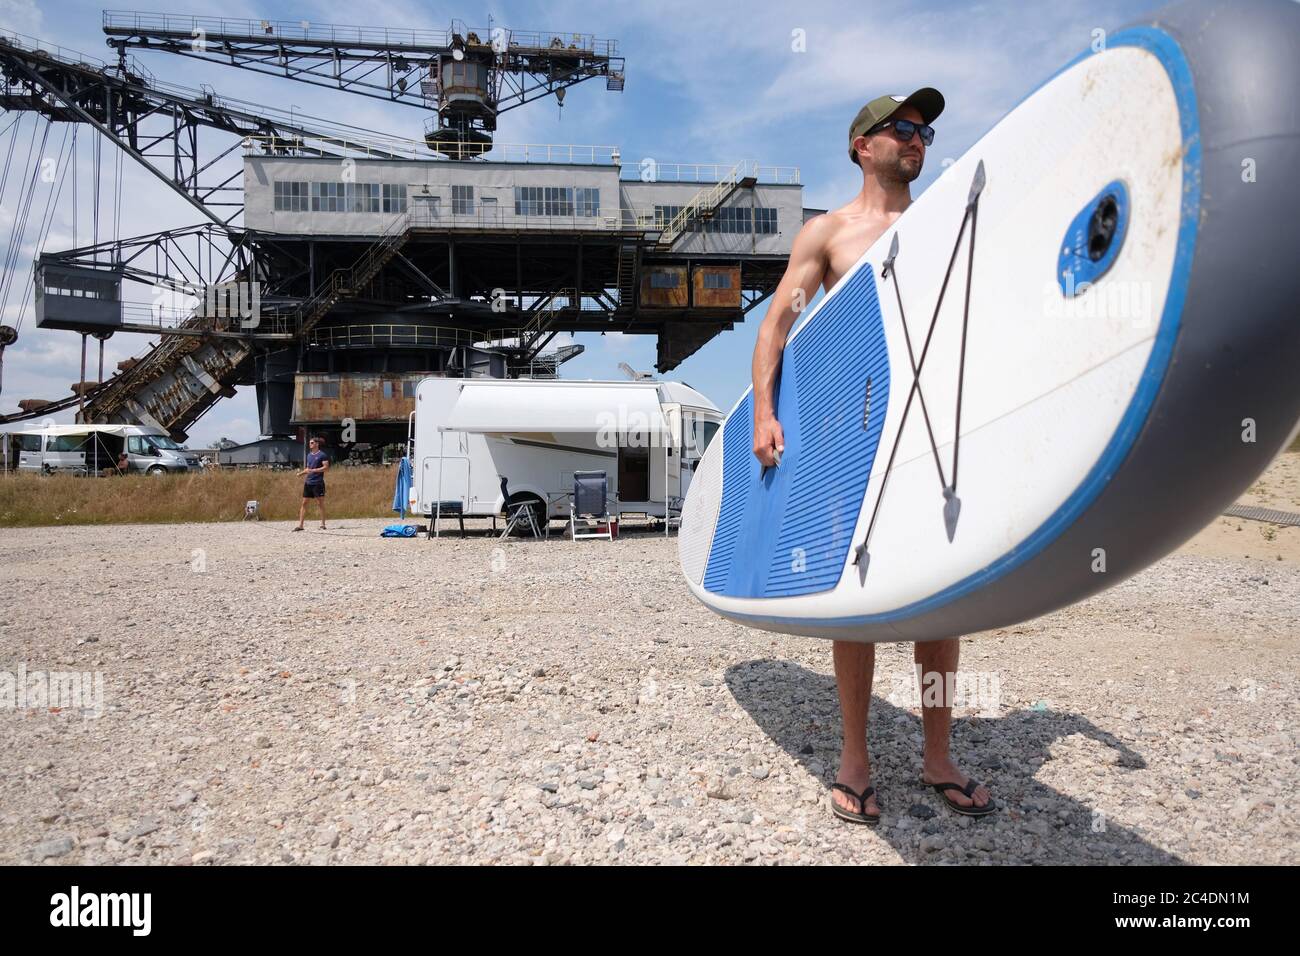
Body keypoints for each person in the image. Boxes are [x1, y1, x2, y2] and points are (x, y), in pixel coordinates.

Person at [750, 89, 995, 825]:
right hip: (852, 434)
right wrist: (764, 410)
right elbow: (776, 329)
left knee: (940, 600)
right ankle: (855, 756)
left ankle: (938, 755)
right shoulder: (828, 234)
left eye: (926, 130)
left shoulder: (947, 219)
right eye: (903, 128)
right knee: (854, 601)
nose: (919, 138)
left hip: (935, 432)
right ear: (862, 145)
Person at [294, 437, 330, 531]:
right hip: (308, 483)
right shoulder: (309, 455)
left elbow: (326, 468)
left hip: (318, 483)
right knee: (304, 503)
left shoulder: (322, 455)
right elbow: (308, 469)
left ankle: (322, 524)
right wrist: (300, 474)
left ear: (317, 444)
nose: (310, 444)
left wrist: (314, 470)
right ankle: (301, 525)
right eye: (310, 443)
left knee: (320, 503)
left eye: (312, 442)